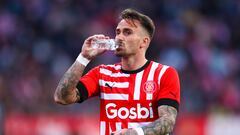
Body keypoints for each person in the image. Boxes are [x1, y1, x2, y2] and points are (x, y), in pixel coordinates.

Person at [54, 8, 180, 135]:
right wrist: (84, 57)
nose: (119, 37)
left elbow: (167, 123)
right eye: (118, 32)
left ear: (144, 42)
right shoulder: (102, 74)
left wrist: (134, 133)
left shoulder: (164, 74)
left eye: (127, 32)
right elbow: (62, 97)